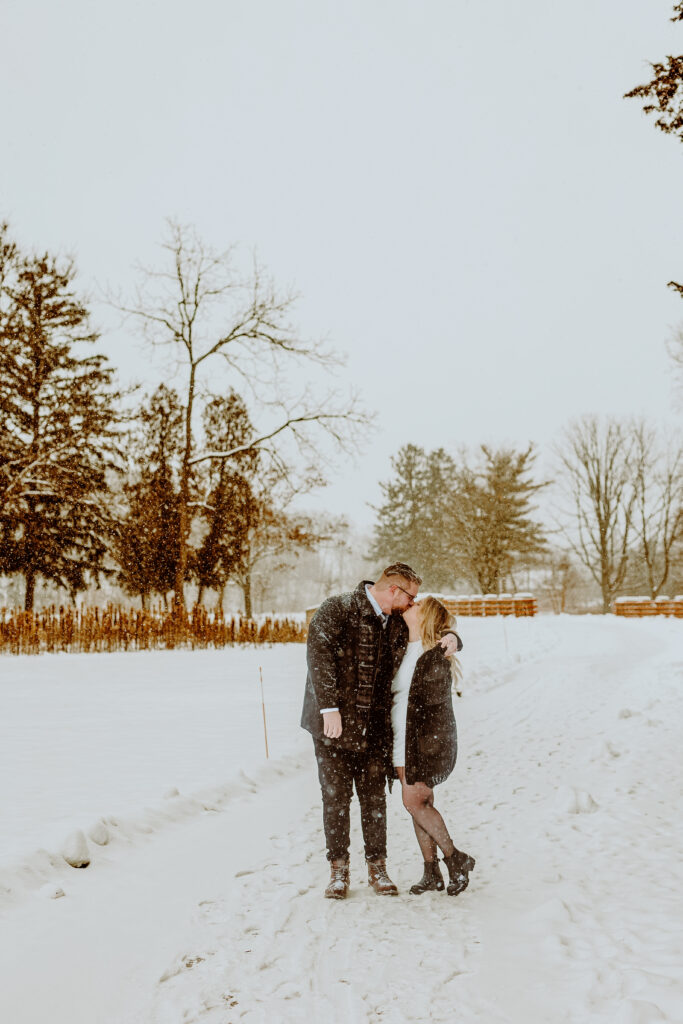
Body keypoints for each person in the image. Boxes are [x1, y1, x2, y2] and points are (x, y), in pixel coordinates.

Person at [301, 563, 462, 900]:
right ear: (395, 591)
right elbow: (319, 653)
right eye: (411, 597)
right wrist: (328, 706)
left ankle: (377, 866)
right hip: (334, 726)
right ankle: (338, 870)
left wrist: (453, 637)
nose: (412, 603)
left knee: (374, 799)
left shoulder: (397, 624)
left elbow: (433, 628)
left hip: (374, 729)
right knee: (335, 798)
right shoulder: (339, 608)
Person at [392, 595, 475, 896]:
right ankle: (432, 873)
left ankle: (455, 858)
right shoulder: (404, 646)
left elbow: (436, 711)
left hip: (418, 741)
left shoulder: (434, 654)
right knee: (419, 806)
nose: (408, 607)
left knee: (414, 802)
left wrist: (429, 750)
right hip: (401, 736)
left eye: (416, 606)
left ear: (425, 616)